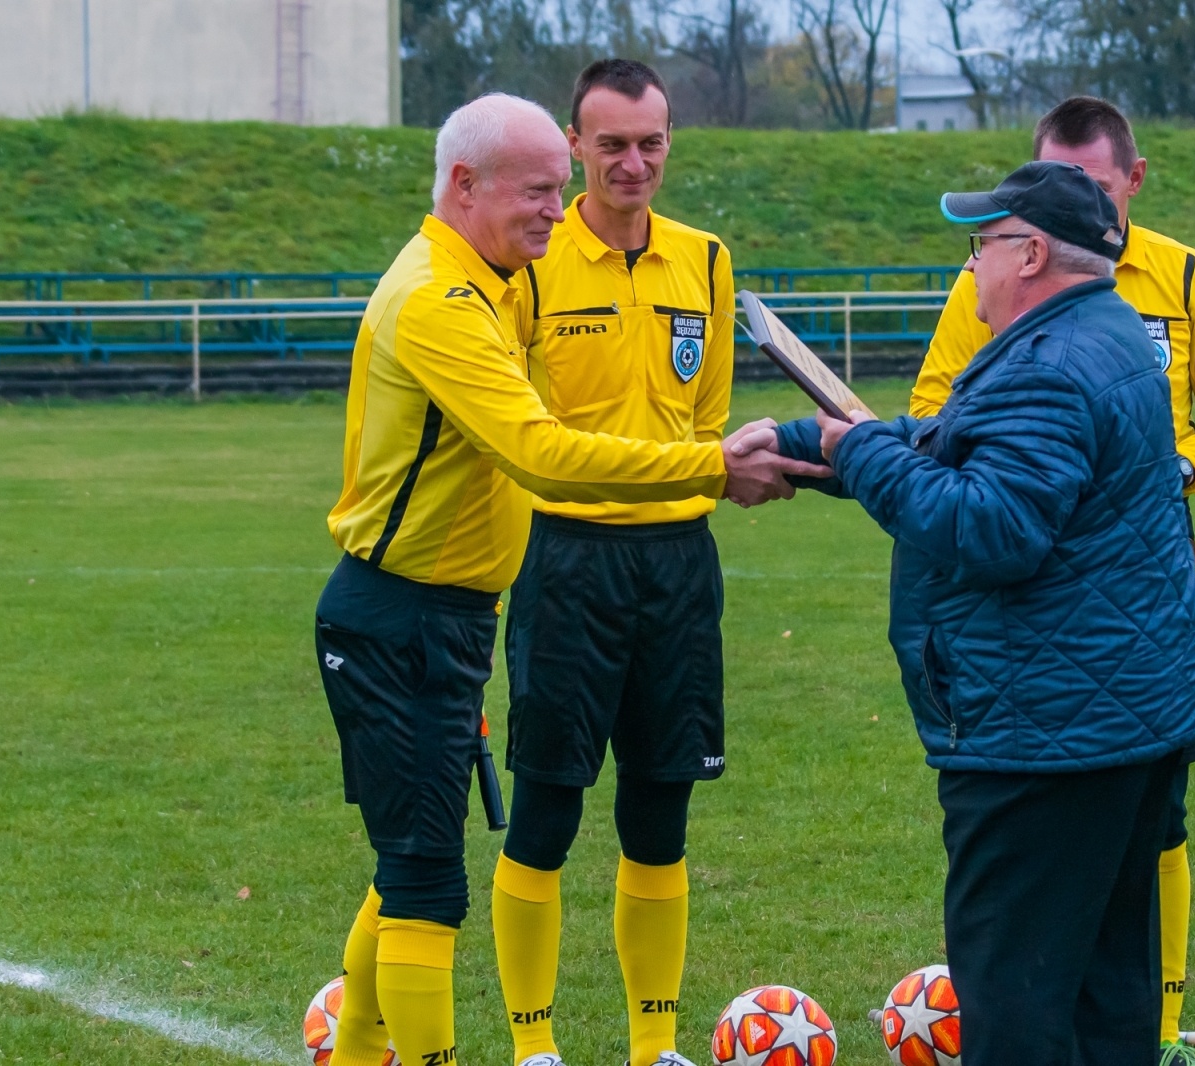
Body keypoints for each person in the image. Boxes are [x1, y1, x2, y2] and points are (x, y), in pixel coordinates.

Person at [312, 92, 822, 1066]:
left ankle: (353, 1051)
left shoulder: (491, 276)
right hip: (404, 613)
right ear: (465, 185)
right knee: (424, 880)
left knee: (405, 862)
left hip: (447, 614)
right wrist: (713, 466)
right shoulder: (441, 299)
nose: (561, 206)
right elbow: (540, 454)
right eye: (542, 189)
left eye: (559, 188)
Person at [741, 161, 1195, 1065]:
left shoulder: (1048, 364)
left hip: (1046, 738)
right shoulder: (1103, 333)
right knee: (1107, 997)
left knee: (1016, 1008)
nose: (969, 269)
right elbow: (968, 450)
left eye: (981, 246)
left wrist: (868, 455)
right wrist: (814, 441)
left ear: (1031, 253)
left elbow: (992, 527)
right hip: (1121, 721)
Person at [908, 96, 1195, 1062]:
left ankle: (1167, 1026)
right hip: (1113, 664)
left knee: (1049, 962)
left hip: (1070, 682)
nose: (974, 254)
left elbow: (997, 522)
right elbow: (941, 409)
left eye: (1100, 189)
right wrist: (870, 449)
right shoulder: (1044, 306)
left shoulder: (1163, 281)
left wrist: (1176, 469)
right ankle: (1144, 1032)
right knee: (1106, 948)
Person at [489, 60, 730, 1066]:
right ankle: (534, 1046)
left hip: (677, 562)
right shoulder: (533, 262)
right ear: (574, 145)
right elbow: (513, 426)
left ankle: (652, 1046)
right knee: (547, 803)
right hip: (569, 559)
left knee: (659, 807)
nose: (634, 162)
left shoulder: (706, 260)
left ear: (669, 144)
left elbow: (707, 416)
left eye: (652, 142)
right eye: (613, 143)